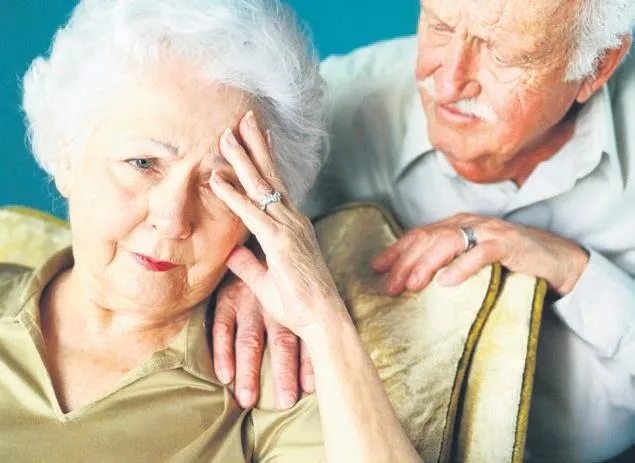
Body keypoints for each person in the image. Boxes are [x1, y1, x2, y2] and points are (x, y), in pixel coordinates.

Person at [213, 0, 635, 461]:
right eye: (440, 27)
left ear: (598, 66)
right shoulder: (334, 106)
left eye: (503, 55)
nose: (448, 83)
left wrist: (570, 267)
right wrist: (246, 252)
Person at [0, 0, 422, 461]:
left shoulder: (274, 380)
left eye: (222, 184)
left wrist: (323, 322)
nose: (173, 219)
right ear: (67, 155)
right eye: (143, 163)